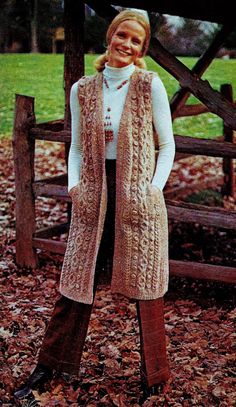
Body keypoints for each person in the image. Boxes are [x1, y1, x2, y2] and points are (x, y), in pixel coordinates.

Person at [14, 9, 175, 401]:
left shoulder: (148, 85)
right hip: (93, 192)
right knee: (75, 280)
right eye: (122, 35)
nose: (127, 44)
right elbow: (77, 148)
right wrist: (73, 187)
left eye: (136, 41)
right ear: (110, 36)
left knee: (147, 284)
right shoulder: (83, 89)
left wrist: (153, 190)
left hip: (137, 193)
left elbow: (167, 145)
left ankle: (155, 377)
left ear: (142, 49)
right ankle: (50, 367)